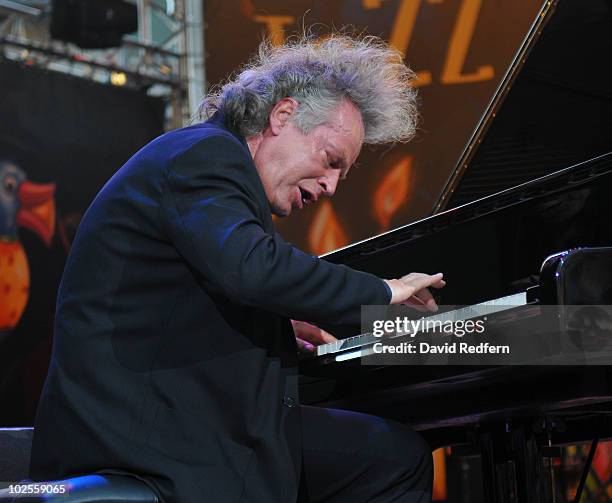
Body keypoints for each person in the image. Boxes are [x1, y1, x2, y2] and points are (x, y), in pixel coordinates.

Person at [30, 34, 445, 502]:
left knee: (381, 455)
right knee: (394, 458)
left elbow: (186, 296)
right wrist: (385, 291)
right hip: (145, 436)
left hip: (170, 419)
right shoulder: (207, 156)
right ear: (282, 115)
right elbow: (252, 267)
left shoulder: (209, 171)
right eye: (330, 161)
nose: (331, 186)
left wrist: (276, 322)